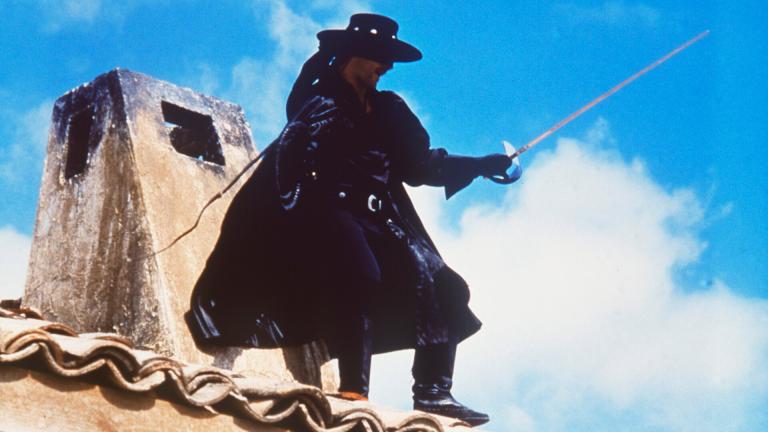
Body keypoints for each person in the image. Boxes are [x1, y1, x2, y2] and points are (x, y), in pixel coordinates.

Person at [187, 13, 516, 427]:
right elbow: (294, 134)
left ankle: (433, 392)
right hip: (328, 210)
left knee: (444, 284)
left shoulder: (390, 109)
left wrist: (480, 165)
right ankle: (354, 390)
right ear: (352, 55)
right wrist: (315, 97)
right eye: (379, 57)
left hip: (380, 217)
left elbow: (419, 166)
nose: (387, 66)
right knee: (360, 274)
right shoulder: (319, 98)